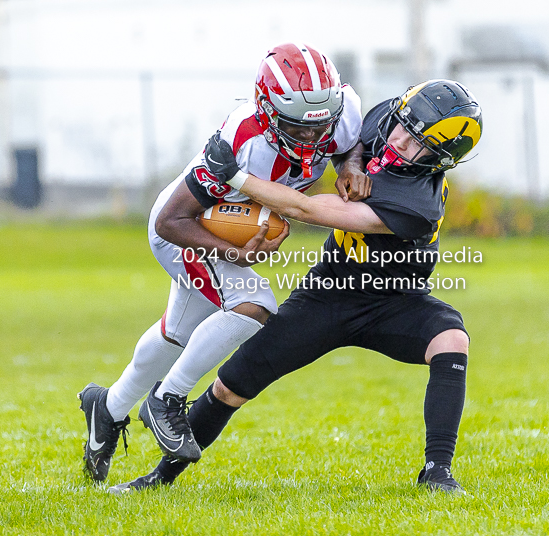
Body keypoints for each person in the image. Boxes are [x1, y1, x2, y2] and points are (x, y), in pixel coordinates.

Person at [110, 79, 483, 494]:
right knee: (232, 383)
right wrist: (352, 165)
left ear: (439, 160)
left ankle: (438, 472)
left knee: (451, 337)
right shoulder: (387, 119)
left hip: (396, 298)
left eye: (415, 145)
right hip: (330, 289)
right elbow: (352, 144)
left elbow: (305, 208)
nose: (398, 140)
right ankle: (159, 477)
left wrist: (233, 175)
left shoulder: (419, 205)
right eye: (402, 127)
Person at [77, 42, 367, 481]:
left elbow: (346, 143)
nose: (311, 140)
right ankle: (167, 399)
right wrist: (233, 252)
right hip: (186, 232)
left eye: (320, 126)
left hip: (216, 232)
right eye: (298, 128)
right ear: (268, 111)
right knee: (255, 303)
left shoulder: (340, 111)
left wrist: (351, 163)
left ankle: (108, 408)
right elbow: (171, 220)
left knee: (176, 335)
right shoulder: (242, 140)